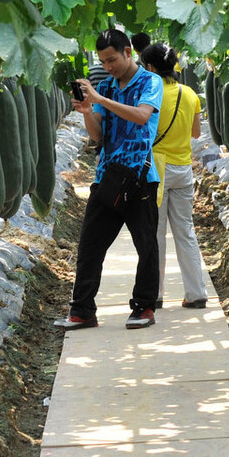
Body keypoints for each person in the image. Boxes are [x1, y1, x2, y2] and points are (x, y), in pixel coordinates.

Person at [55, 29, 165, 331]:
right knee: (90, 244)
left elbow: (143, 116)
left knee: (146, 246)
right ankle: (82, 311)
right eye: (103, 62)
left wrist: (100, 97)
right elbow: (98, 135)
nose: (108, 67)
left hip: (140, 177)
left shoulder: (150, 82)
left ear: (128, 52)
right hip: (107, 176)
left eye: (112, 59)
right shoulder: (107, 86)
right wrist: (89, 110)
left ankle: (144, 307)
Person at [141, 43, 209, 310]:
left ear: (150, 68)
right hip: (183, 169)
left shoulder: (150, 94)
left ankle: (155, 295)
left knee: (155, 234)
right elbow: (195, 134)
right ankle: (196, 293)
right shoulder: (191, 94)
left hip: (156, 170)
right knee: (186, 232)